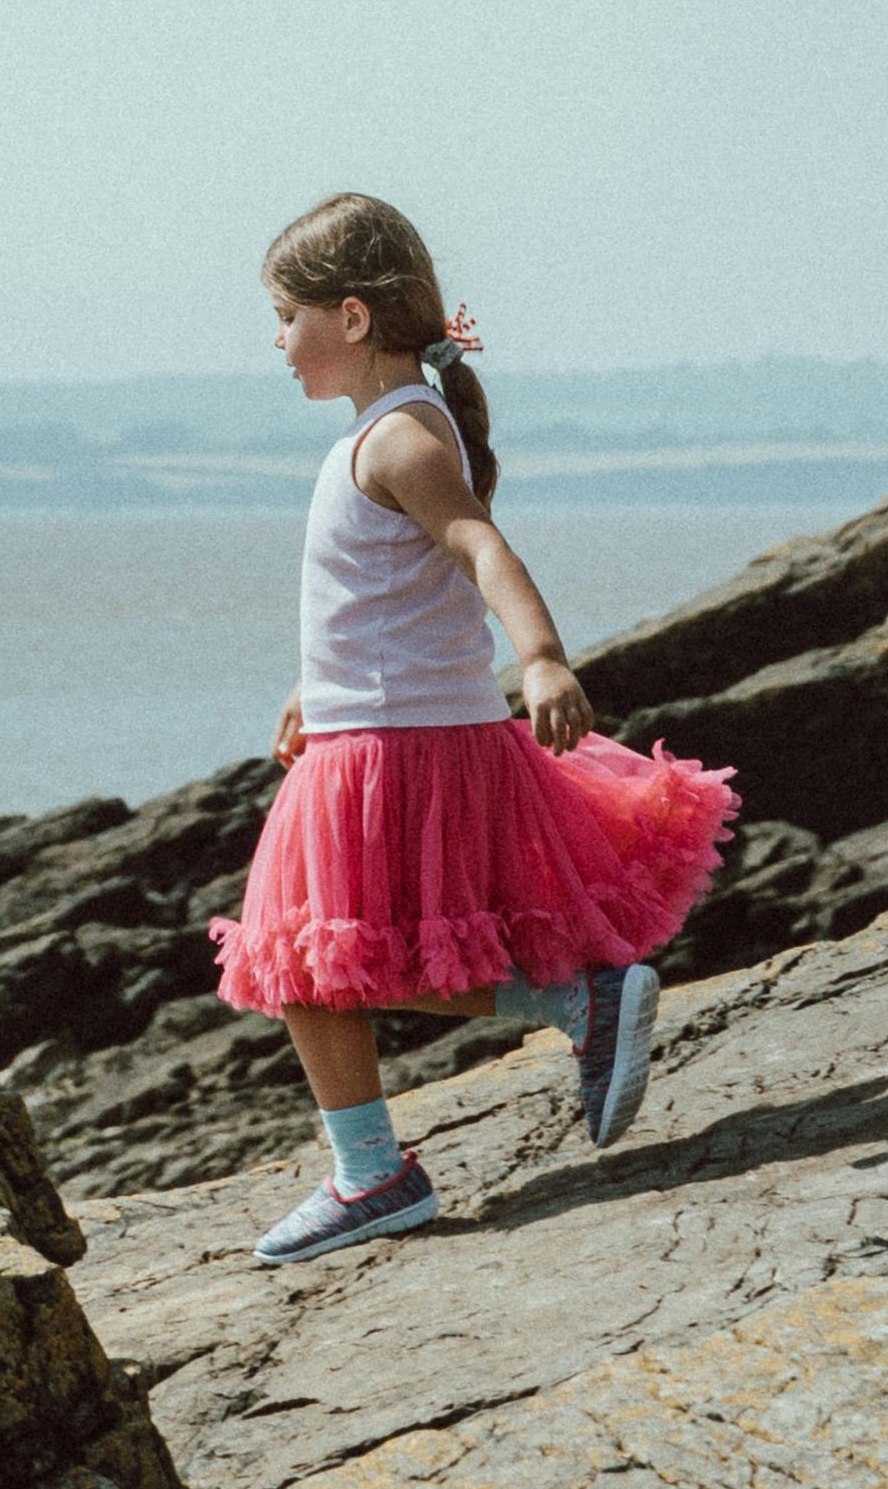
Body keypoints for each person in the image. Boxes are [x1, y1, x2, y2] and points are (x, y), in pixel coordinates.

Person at [210, 193, 737, 1265]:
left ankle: (375, 1175)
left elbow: (478, 549)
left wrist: (540, 655)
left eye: (285, 313)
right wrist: (317, 683)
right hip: (385, 726)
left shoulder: (398, 436)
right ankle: (572, 1001)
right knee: (363, 958)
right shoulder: (398, 427)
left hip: (390, 752)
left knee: (300, 962)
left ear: (349, 317)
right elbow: (390, 594)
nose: (275, 339)